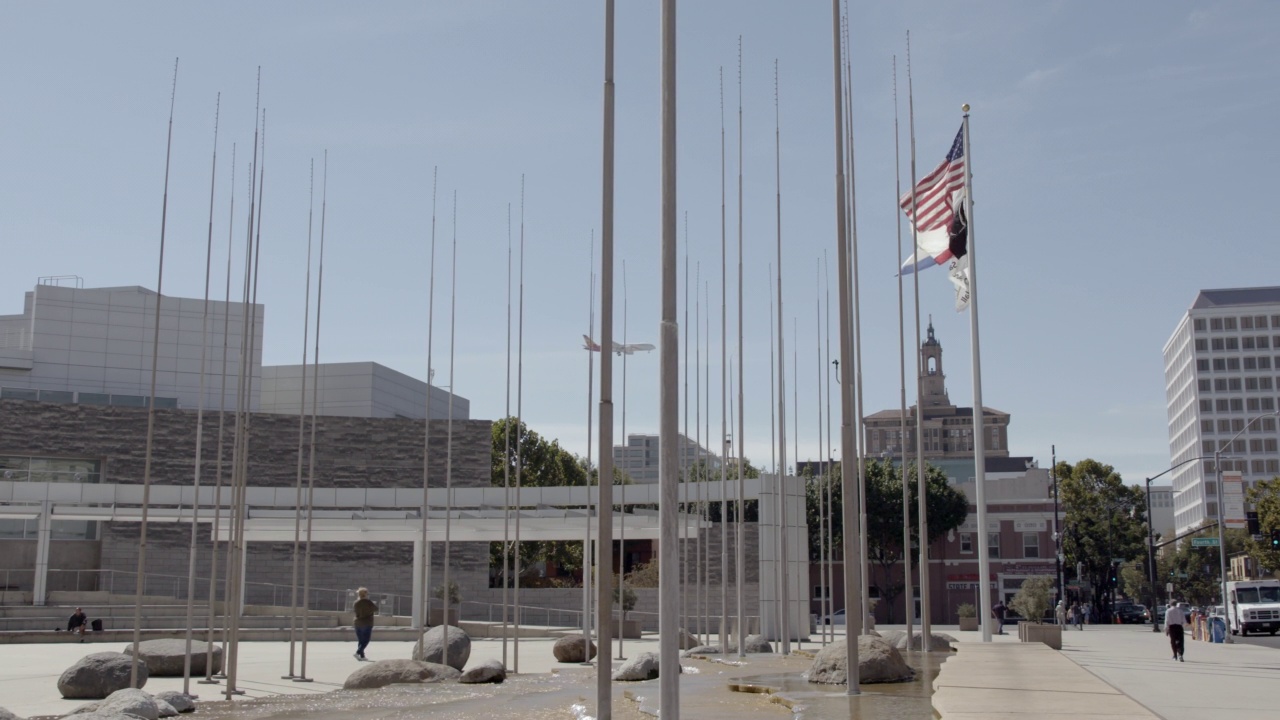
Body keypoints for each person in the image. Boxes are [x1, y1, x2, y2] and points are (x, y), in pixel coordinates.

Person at [352, 587, 378, 660]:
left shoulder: (356, 602)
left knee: (361, 640)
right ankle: (357, 653)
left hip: (357, 623)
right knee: (366, 640)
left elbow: (355, 610)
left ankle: (362, 656)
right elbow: (376, 609)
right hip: (367, 622)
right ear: (365, 594)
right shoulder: (368, 602)